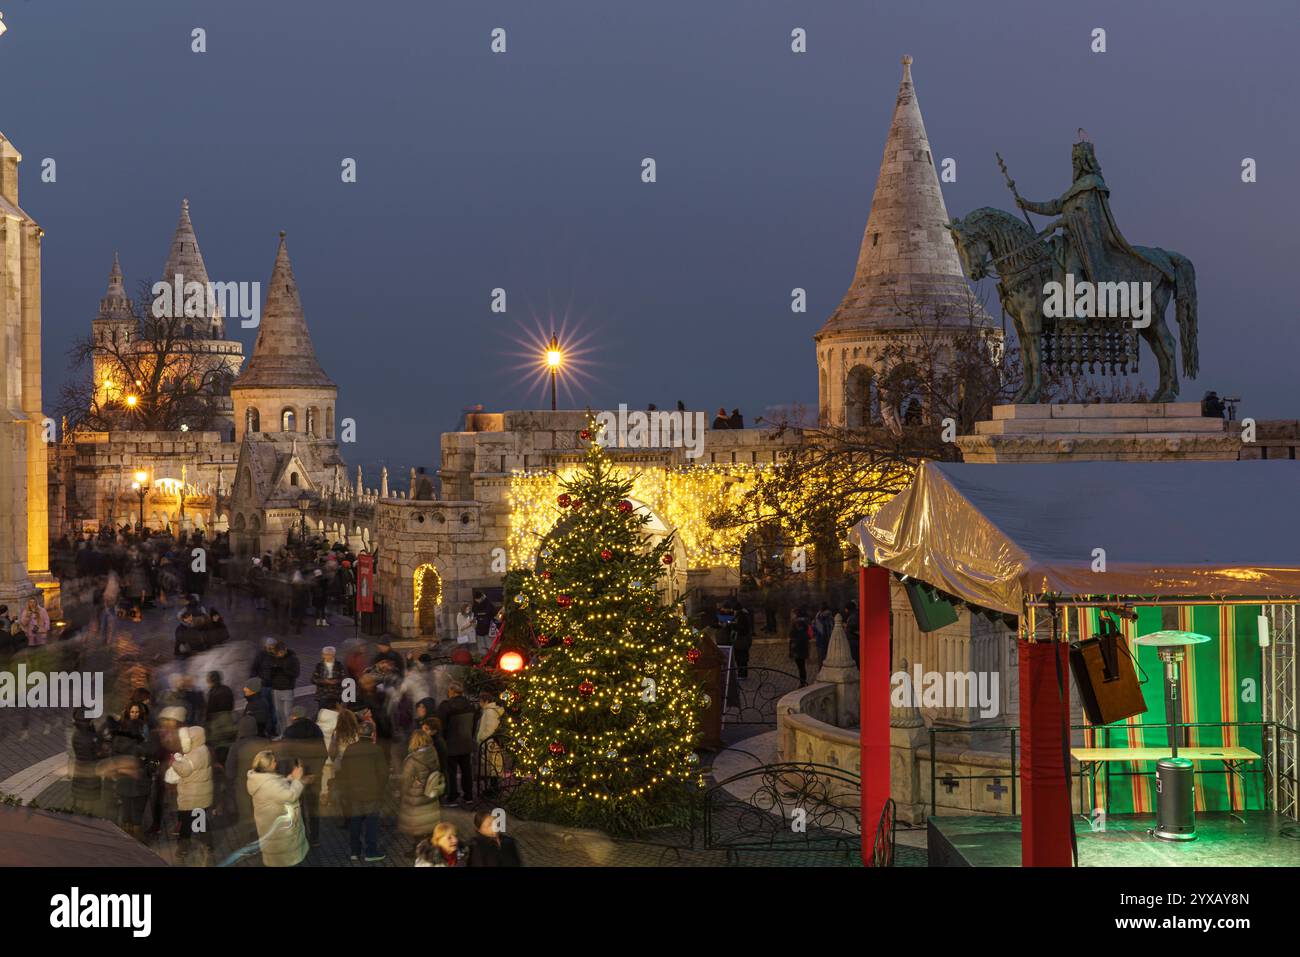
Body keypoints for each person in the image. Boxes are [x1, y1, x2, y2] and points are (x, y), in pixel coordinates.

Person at [332, 717, 389, 863]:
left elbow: (344, 770)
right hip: (372, 792)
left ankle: (354, 851)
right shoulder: (376, 750)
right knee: (371, 823)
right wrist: (381, 789)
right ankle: (371, 851)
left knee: (355, 822)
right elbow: (383, 773)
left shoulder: (350, 749)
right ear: (372, 735)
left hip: (354, 792)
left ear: (358, 734)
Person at [246, 749, 309, 867]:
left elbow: (277, 788)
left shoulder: (260, 779)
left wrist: (289, 778)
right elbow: (290, 796)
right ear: (268, 765)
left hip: (272, 830)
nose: (276, 763)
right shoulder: (269, 784)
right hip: (281, 836)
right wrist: (297, 780)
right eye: (274, 761)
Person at [278, 706, 327, 848]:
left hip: (297, 777)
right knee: (313, 808)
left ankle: (302, 836)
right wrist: (316, 772)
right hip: (314, 776)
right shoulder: (316, 730)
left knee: (297, 807)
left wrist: (290, 774)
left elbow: (286, 756)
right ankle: (315, 838)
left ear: (293, 716)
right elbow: (323, 753)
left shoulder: (289, 732)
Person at [166, 725, 213, 863]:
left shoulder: (195, 753)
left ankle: (183, 848)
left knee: (186, 824)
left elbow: (184, 770)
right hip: (201, 795)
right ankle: (208, 845)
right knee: (201, 821)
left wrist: (173, 763)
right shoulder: (203, 750)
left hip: (192, 796)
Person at [109, 703, 153, 840]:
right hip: (140, 783)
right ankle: (137, 834)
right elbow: (150, 761)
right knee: (138, 810)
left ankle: (126, 835)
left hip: (123, 781)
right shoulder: (142, 746)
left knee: (126, 808)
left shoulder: (117, 741)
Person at [398, 729, 443, 845]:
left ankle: (419, 848)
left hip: (416, 797)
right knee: (428, 823)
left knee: (417, 826)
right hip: (430, 794)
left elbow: (405, 781)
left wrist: (401, 795)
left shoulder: (412, 759)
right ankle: (430, 844)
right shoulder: (433, 752)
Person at [437, 681, 477, 805]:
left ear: (452, 691)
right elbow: (474, 725)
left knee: (451, 772)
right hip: (466, 742)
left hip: (450, 743)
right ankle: (468, 796)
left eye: (449, 691)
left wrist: (441, 740)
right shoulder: (470, 705)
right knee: (466, 770)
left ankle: (452, 796)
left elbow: (440, 726)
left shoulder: (446, 706)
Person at [69, 713, 105, 816]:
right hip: (91, 770)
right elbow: (97, 753)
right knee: (89, 799)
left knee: (78, 797)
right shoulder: (91, 737)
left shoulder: (76, 734)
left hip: (79, 768)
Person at [268, 641, 300, 739]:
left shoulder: (293, 659)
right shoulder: (274, 658)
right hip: (276, 689)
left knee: (287, 714)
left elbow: (296, 673)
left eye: (281, 653)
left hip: (287, 689)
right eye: (277, 653)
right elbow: (269, 674)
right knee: (279, 714)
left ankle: (290, 735)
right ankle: (282, 734)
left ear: (285, 650)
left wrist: (284, 670)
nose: (279, 655)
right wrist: (273, 671)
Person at [788, 606, 811, 686]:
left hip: (798, 648)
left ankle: (802, 682)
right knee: (802, 666)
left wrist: (793, 648)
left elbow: (792, 635)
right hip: (802, 647)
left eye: (792, 613)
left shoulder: (796, 623)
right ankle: (802, 681)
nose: (791, 615)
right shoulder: (804, 623)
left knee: (801, 666)